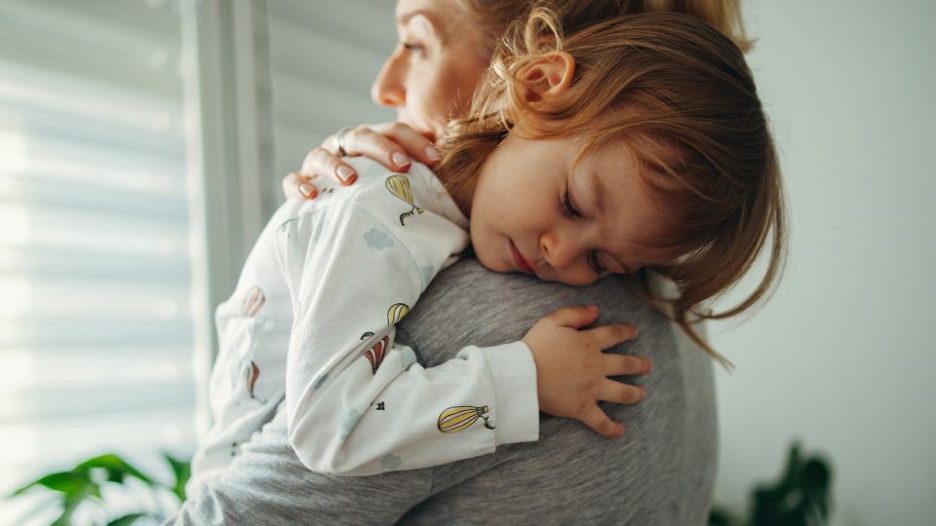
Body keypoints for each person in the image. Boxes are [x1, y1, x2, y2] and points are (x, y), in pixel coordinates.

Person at [171, 1, 771, 523]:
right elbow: (333, 428)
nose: (560, 254)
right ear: (535, 84)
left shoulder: (462, 237)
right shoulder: (384, 209)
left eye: (604, 261)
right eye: (571, 204)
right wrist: (526, 379)